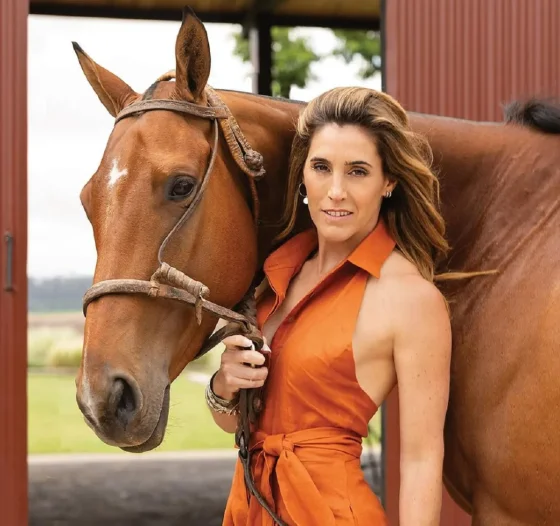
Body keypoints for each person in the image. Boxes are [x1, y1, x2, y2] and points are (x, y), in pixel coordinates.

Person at [205, 87, 452, 526]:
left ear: (388, 181)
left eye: (357, 171)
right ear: (303, 176)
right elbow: (237, 426)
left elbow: (420, 461)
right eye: (322, 168)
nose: (335, 191)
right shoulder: (271, 278)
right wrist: (225, 383)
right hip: (249, 509)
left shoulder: (411, 300)